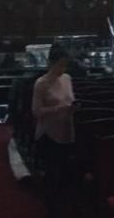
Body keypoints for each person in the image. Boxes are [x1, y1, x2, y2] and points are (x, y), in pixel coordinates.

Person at [31, 44, 76, 217]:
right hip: (49, 133)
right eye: (59, 65)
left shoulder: (67, 78)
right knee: (52, 173)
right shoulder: (41, 83)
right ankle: (52, 208)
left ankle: (64, 205)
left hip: (66, 129)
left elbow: (70, 100)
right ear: (50, 63)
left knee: (66, 173)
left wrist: (71, 108)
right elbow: (36, 111)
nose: (62, 69)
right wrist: (58, 109)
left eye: (65, 65)